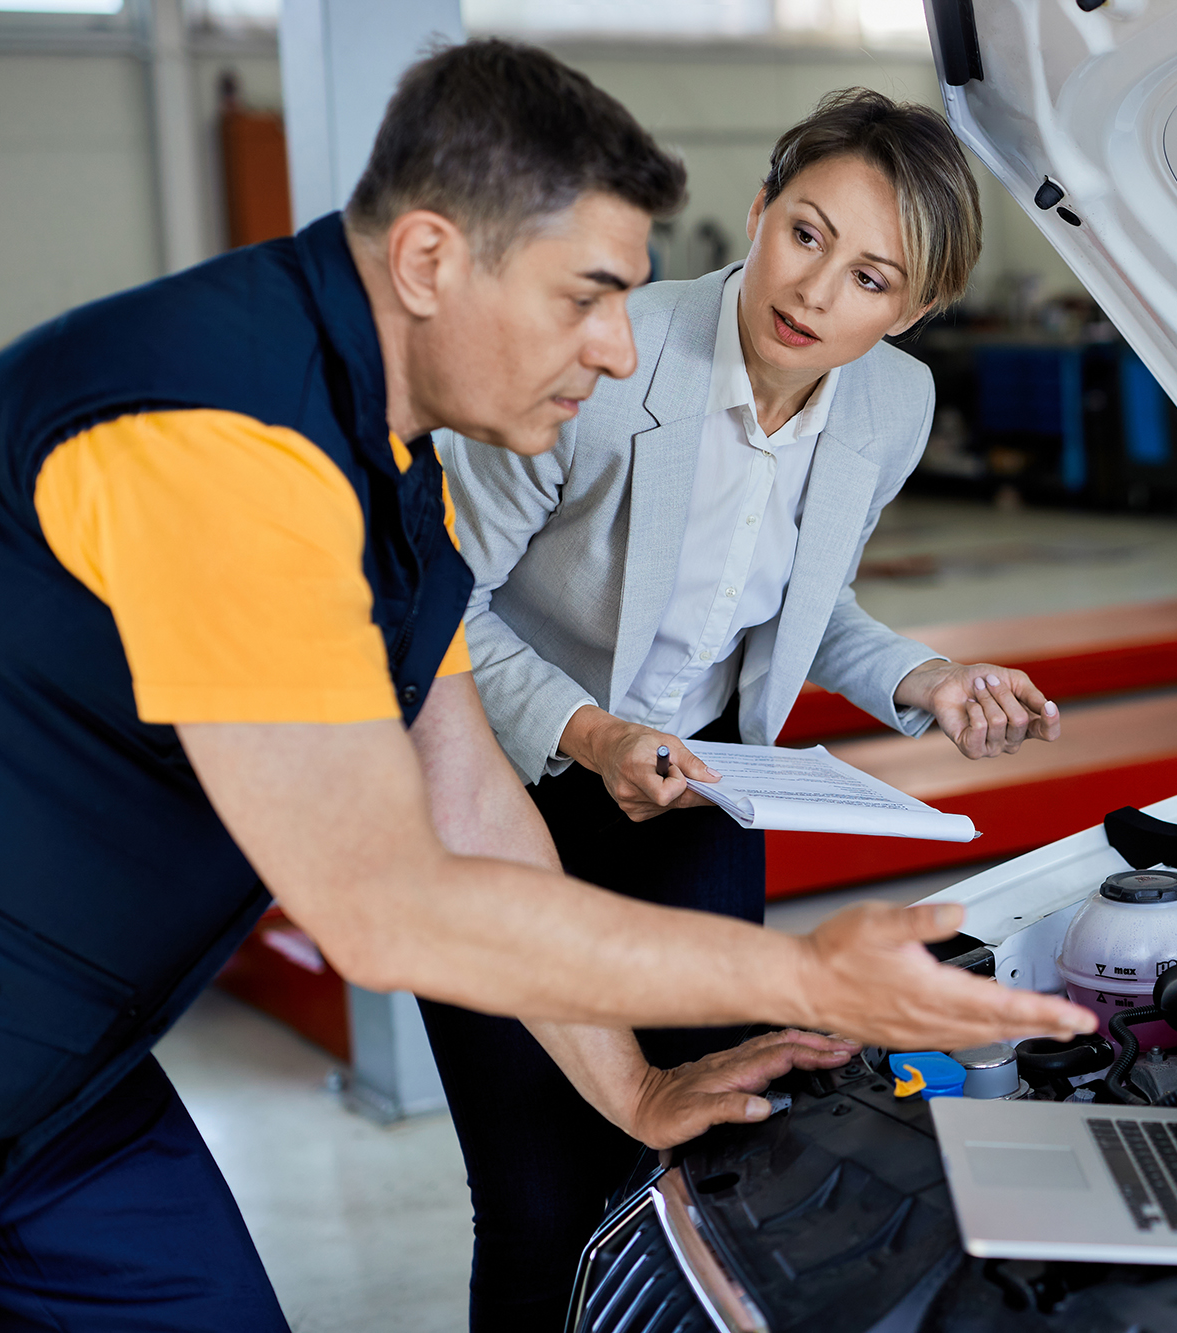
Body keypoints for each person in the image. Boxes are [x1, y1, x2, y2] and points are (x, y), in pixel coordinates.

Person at [0, 41, 1091, 1330]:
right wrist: (808, 980)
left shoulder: (384, 473)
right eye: (587, 296)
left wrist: (629, 1090)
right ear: (430, 262)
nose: (623, 349)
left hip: (73, 1078)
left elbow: (465, 809)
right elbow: (387, 905)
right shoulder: (229, 446)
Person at [426, 88, 1066, 1331]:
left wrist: (925, 678)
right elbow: (432, 610)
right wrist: (587, 732)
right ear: (762, 208)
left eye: (872, 278)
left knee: (693, 1165)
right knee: (537, 1199)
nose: (818, 292)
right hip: (498, 787)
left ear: (914, 312)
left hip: (698, 802)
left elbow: (799, 606)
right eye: (807, 233)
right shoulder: (597, 363)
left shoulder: (890, 406)